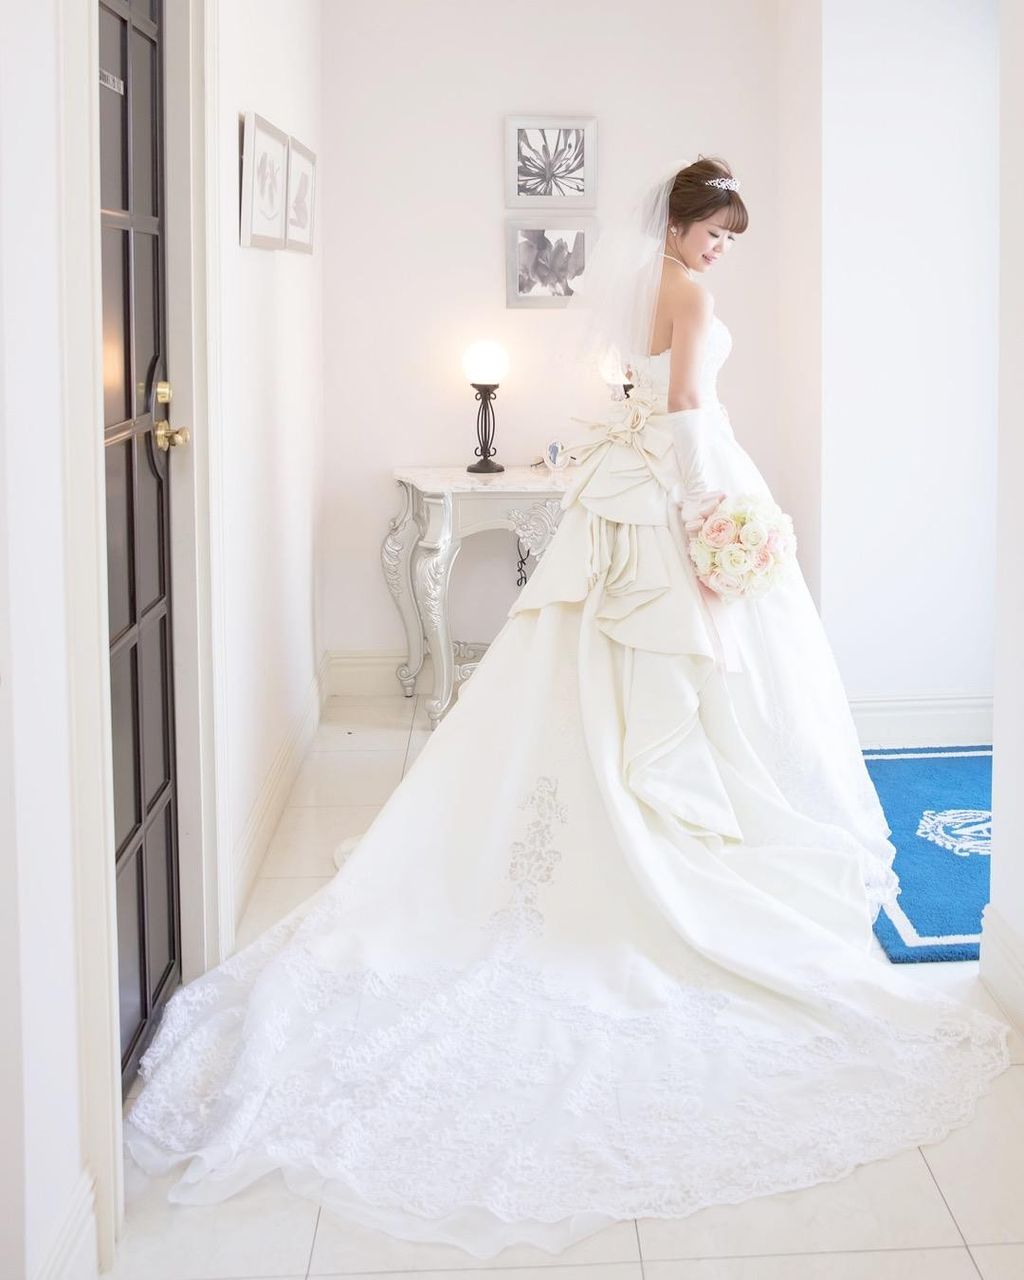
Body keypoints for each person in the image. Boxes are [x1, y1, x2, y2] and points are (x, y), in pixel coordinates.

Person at [123, 155, 1012, 1260]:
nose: (720, 249)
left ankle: (619, 817)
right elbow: (686, 410)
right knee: (678, 676)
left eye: (730, 236)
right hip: (674, 489)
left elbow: (644, 394)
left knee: (603, 670)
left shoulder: (651, 287)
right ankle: (655, 840)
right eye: (713, 230)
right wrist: (714, 516)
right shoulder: (689, 295)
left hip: (628, 492)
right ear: (678, 225)